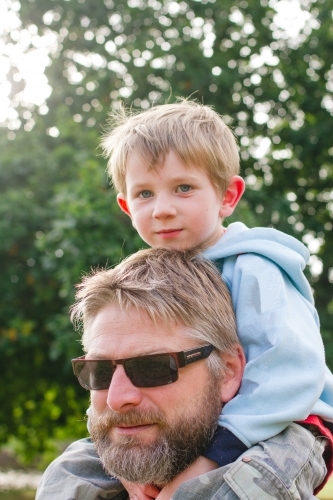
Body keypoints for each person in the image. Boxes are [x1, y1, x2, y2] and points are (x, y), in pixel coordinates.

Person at [36, 100, 333, 499]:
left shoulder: (256, 268)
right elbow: (110, 368)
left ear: (228, 195)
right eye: (144, 193)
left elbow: (291, 370)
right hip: (187, 422)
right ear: (126, 205)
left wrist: (217, 452)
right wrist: (122, 454)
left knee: (229, 488)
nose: (162, 210)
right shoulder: (145, 276)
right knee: (70, 474)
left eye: (183, 188)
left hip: (286, 421)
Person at [36, 249, 328, 500]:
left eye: (152, 367)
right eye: (99, 371)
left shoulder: (269, 471)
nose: (117, 399)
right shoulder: (66, 479)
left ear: (227, 372)